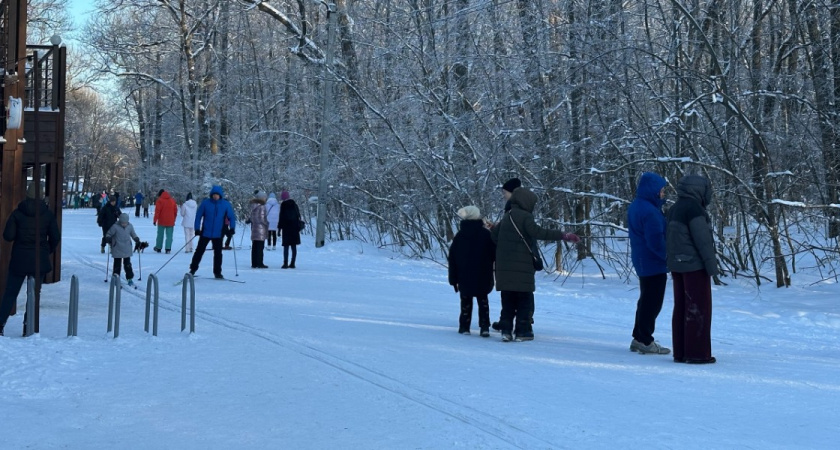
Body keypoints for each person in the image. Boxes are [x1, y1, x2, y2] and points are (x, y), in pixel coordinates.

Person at [491, 183, 580, 342]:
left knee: (508, 301)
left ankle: (506, 330)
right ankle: (522, 332)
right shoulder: (525, 217)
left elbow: (494, 237)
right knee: (524, 301)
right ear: (526, 202)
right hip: (522, 269)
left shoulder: (507, 216)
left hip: (504, 270)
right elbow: (538, 232)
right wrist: (563, 235)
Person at [666, 174, 718, 364]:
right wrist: (711, 266)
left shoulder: (674, 208)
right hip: (695, 266)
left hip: (677, 265)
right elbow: (703, 240)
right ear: (699, 190)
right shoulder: (694, 209)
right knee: (698, 308)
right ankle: (697, 353)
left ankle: (680, 352)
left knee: (681, 307)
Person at [0, 182, 61, 336]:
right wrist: (46, 250)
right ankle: (28, 326)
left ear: (27, 194)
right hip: (39, 261)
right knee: (34, 295)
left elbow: (8, 236)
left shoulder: (17, 213)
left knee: (10, 294)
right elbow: (55, 237)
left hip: (19, 260)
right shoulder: (47, 214)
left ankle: (0, 323)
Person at [628, 172, 671, 355]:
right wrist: (667, 257)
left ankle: (639, 336)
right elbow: (655, 241)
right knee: (652, 303)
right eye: (661, 190)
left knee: (645, 300)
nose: (663, 193)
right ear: (653, 190)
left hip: (642, 259)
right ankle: (645, 340)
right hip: (652, 262)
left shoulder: (637, 205)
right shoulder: (650, 211)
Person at [448, 206, 495, 337]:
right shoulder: (486, 235)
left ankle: (464, 326)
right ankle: (484, 326)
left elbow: (452, 258)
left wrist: (453, 279)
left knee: (465, 301)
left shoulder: (460, 236)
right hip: (483, 274)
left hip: (464, 275)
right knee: (483, 300)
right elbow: (494, 254)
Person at [190, 185, 236, 278]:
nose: (215, 196)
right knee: (199, 252)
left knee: (218, 254)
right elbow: (198, 216)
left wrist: (232, 228)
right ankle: (192, 270)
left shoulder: (225, 204)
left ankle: (217, 272)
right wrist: (197, 229)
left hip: (218, 233)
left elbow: (231, 217)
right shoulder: (205, 203)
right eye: (214, 194)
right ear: (211, 195)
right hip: (205, 232)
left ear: (220, 195)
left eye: (217, 195)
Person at [106, 213, 143, 286]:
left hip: (127, 248)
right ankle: (116, 278)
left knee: (127, 264)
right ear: (120, 221)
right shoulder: (115, 226)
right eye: (123, 223)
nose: (124, 224)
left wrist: (136, 239)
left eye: (125, 223)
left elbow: (133, 234)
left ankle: (130, 278)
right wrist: (108, 238)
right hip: (117, 248)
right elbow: (109, 233)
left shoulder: (130, 226)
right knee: (117, 265)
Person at [278, 190, 302, 268]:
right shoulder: (295, 205)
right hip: (294, 228)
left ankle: (285, 263)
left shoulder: (283, 205)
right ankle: (293, 263)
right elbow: (298, 216)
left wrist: (279, 229)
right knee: (293, 246)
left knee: (286, 246)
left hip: (286, 228)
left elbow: (281, 217)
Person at [248, 191, 269, 268]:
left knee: (254, 246)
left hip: (254, 227)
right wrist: (267, 223)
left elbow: (251, 218)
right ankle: (260, 263)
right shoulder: (262, 206)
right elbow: (262, 219)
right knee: (260, 247)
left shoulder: (253, 206)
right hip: (261, 229)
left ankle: (254, 263)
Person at [153, 189, 178, 253]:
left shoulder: (159, 200)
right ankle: (168, 248)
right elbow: (175, 211)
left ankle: (158, 247)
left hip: (162, 220)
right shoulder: (172, 201)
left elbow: (157, 211)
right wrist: (174, 219)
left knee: (160, 235)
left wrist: (155, 220)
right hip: (170, 221)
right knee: (169, 236)